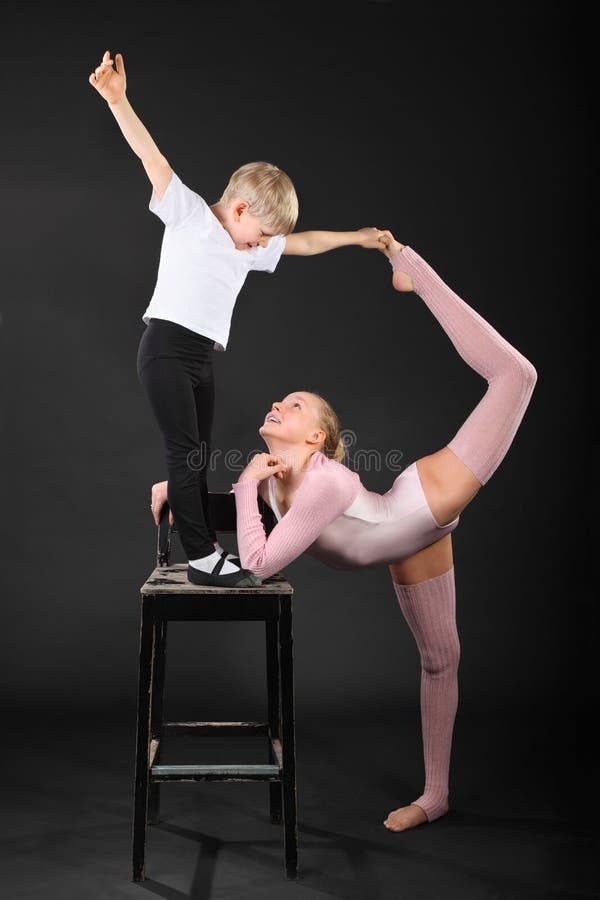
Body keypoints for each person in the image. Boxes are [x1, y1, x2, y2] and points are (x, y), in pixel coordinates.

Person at [150, 230, 537, 832]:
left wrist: (244, 487)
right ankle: (436, 798)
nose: (280, 403)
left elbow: (257, 563)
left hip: (423, 502)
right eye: (283, 398)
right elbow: (239, 516)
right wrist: (183, 498)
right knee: (441, 659)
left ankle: (412, 269)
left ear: (317, 440)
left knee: (516, 377)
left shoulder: (322, 484)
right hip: (406, 541)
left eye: (296, 404)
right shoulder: (280, 480)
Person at [88, 49, 386, 588]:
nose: (265, 246)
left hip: (199, 357)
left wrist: (358, 238)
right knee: (183, 452)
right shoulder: (190, 216)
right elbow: (150, 157)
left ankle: (197, 537)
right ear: (242, 210)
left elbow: (305, 243)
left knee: (196, 459)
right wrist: (118, 100)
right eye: (262, 234)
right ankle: (203, 559)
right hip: (164, 349)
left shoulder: (246, 250)